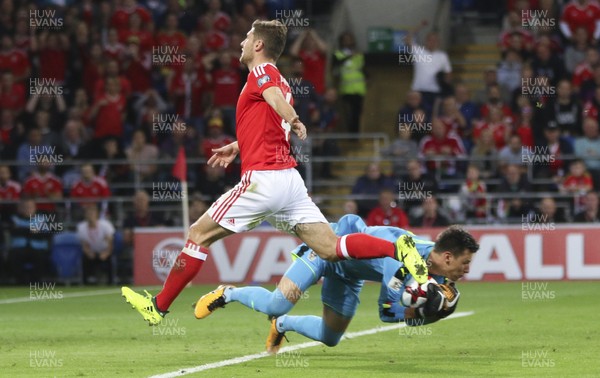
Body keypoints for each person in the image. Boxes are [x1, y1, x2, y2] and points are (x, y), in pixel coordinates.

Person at [122, 20, 427, 326]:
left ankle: (157, 307)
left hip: (263, 180)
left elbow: (276, 103)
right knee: (331, 249)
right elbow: (267, 124)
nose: (242, 42)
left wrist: (294, 119)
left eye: (246, 36)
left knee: (198, 235)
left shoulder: (262, 73)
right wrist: (239, 145)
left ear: (258, 45)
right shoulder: (281, 81)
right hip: (289, 182)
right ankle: (398, 248)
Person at [194, 214, 479, 353]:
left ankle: (280, 325)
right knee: (276, 303)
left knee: (330, 338)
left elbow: (399, 313)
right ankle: (226, 293)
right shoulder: (405, 256)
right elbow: (386, 311)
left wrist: (431, 317)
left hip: (348, 275)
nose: (467, 270)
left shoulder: (439, 278)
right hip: (327, 249)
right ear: (448, 256)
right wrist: (422, 312)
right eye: (465, 263)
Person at [77, 204, 115, 284]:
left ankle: (110, 282)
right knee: (85, 259)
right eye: (88, 213)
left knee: (110, 260)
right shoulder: (81, 227)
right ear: (86, 215)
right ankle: (85, 282)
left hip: (104, 251)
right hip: (92, 252)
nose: (90, 215)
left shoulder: (105, 225)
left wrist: (106, 253)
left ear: (97, 214)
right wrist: (89, 253)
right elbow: (84, 245)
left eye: (92, 213)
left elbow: (110, 242)